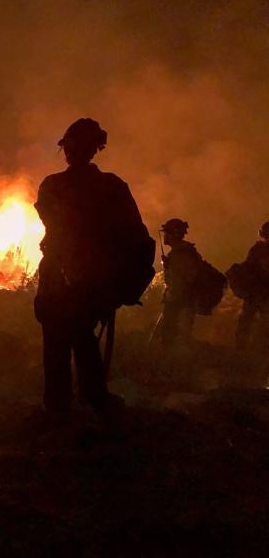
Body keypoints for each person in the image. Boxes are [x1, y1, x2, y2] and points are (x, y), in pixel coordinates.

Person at [34, 118, 152, 415]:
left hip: (72, 277)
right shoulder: (111, 186)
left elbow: (59, 226)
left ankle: (65, 406)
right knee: (80, 337)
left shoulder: (54, 186)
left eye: (73, 146)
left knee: (62, 340)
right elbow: (135, 236)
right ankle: (90, 400)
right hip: (86, 278)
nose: (71, 151)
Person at [155, 218, 201, 346]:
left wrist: (172, 299)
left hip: (180, 300)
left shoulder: (181, 254)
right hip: (180, 299)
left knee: (175, 339)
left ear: (174, 234)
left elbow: (181, 281)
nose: (165, 236)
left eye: (167, 233)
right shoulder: (180, 252)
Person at [234, 222, 269, 349]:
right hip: (258, 293)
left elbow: (247, 267)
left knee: (248, 321)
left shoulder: (257, 250)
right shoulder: (257, 250)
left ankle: (243, 349)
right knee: (253, 322)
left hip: (257, 293)